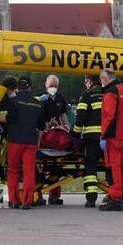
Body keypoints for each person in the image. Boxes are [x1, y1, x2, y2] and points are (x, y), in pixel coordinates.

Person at [0, 76, 42, 210]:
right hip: (31, 142)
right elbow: (41, 126)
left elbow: (11, 118)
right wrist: (37, 142)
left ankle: (14, 201)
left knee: (13, 171)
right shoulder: (38, 103)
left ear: (17, 88)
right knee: (29, 171)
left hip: (15, 140)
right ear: (29, 87)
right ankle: (27, 201)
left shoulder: (13, 100)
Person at [97, 68, 123, 211]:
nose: (101, 83)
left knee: (114, 167)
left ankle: (116, 198)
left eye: (101, 80)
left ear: (105, 78)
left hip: (113, 136)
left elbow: (109, 116)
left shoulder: (110, 92)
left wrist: (103, 135)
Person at [70, 74, 104, 207]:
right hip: (108, 138)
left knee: (90, 167)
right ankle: (115, 196)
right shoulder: (109, 94)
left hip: (92, 139)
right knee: (111, 166)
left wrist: (75, 135)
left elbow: (80, 119)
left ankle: (91, 198)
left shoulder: (86, 96)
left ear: (89, 81)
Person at [38, 74, 70, 205]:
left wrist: (66, 128)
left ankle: (54, 195)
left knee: (56, 168)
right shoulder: (40, 98)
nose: (53, 88)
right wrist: (46, 125)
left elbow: (63, 115)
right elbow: (37, 118)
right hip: (44, 134)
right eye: (51, 86)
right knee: (39, 168)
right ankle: (38, 195)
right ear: (46, 85)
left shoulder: (60, 98)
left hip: (56, 136)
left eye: (55, 86)